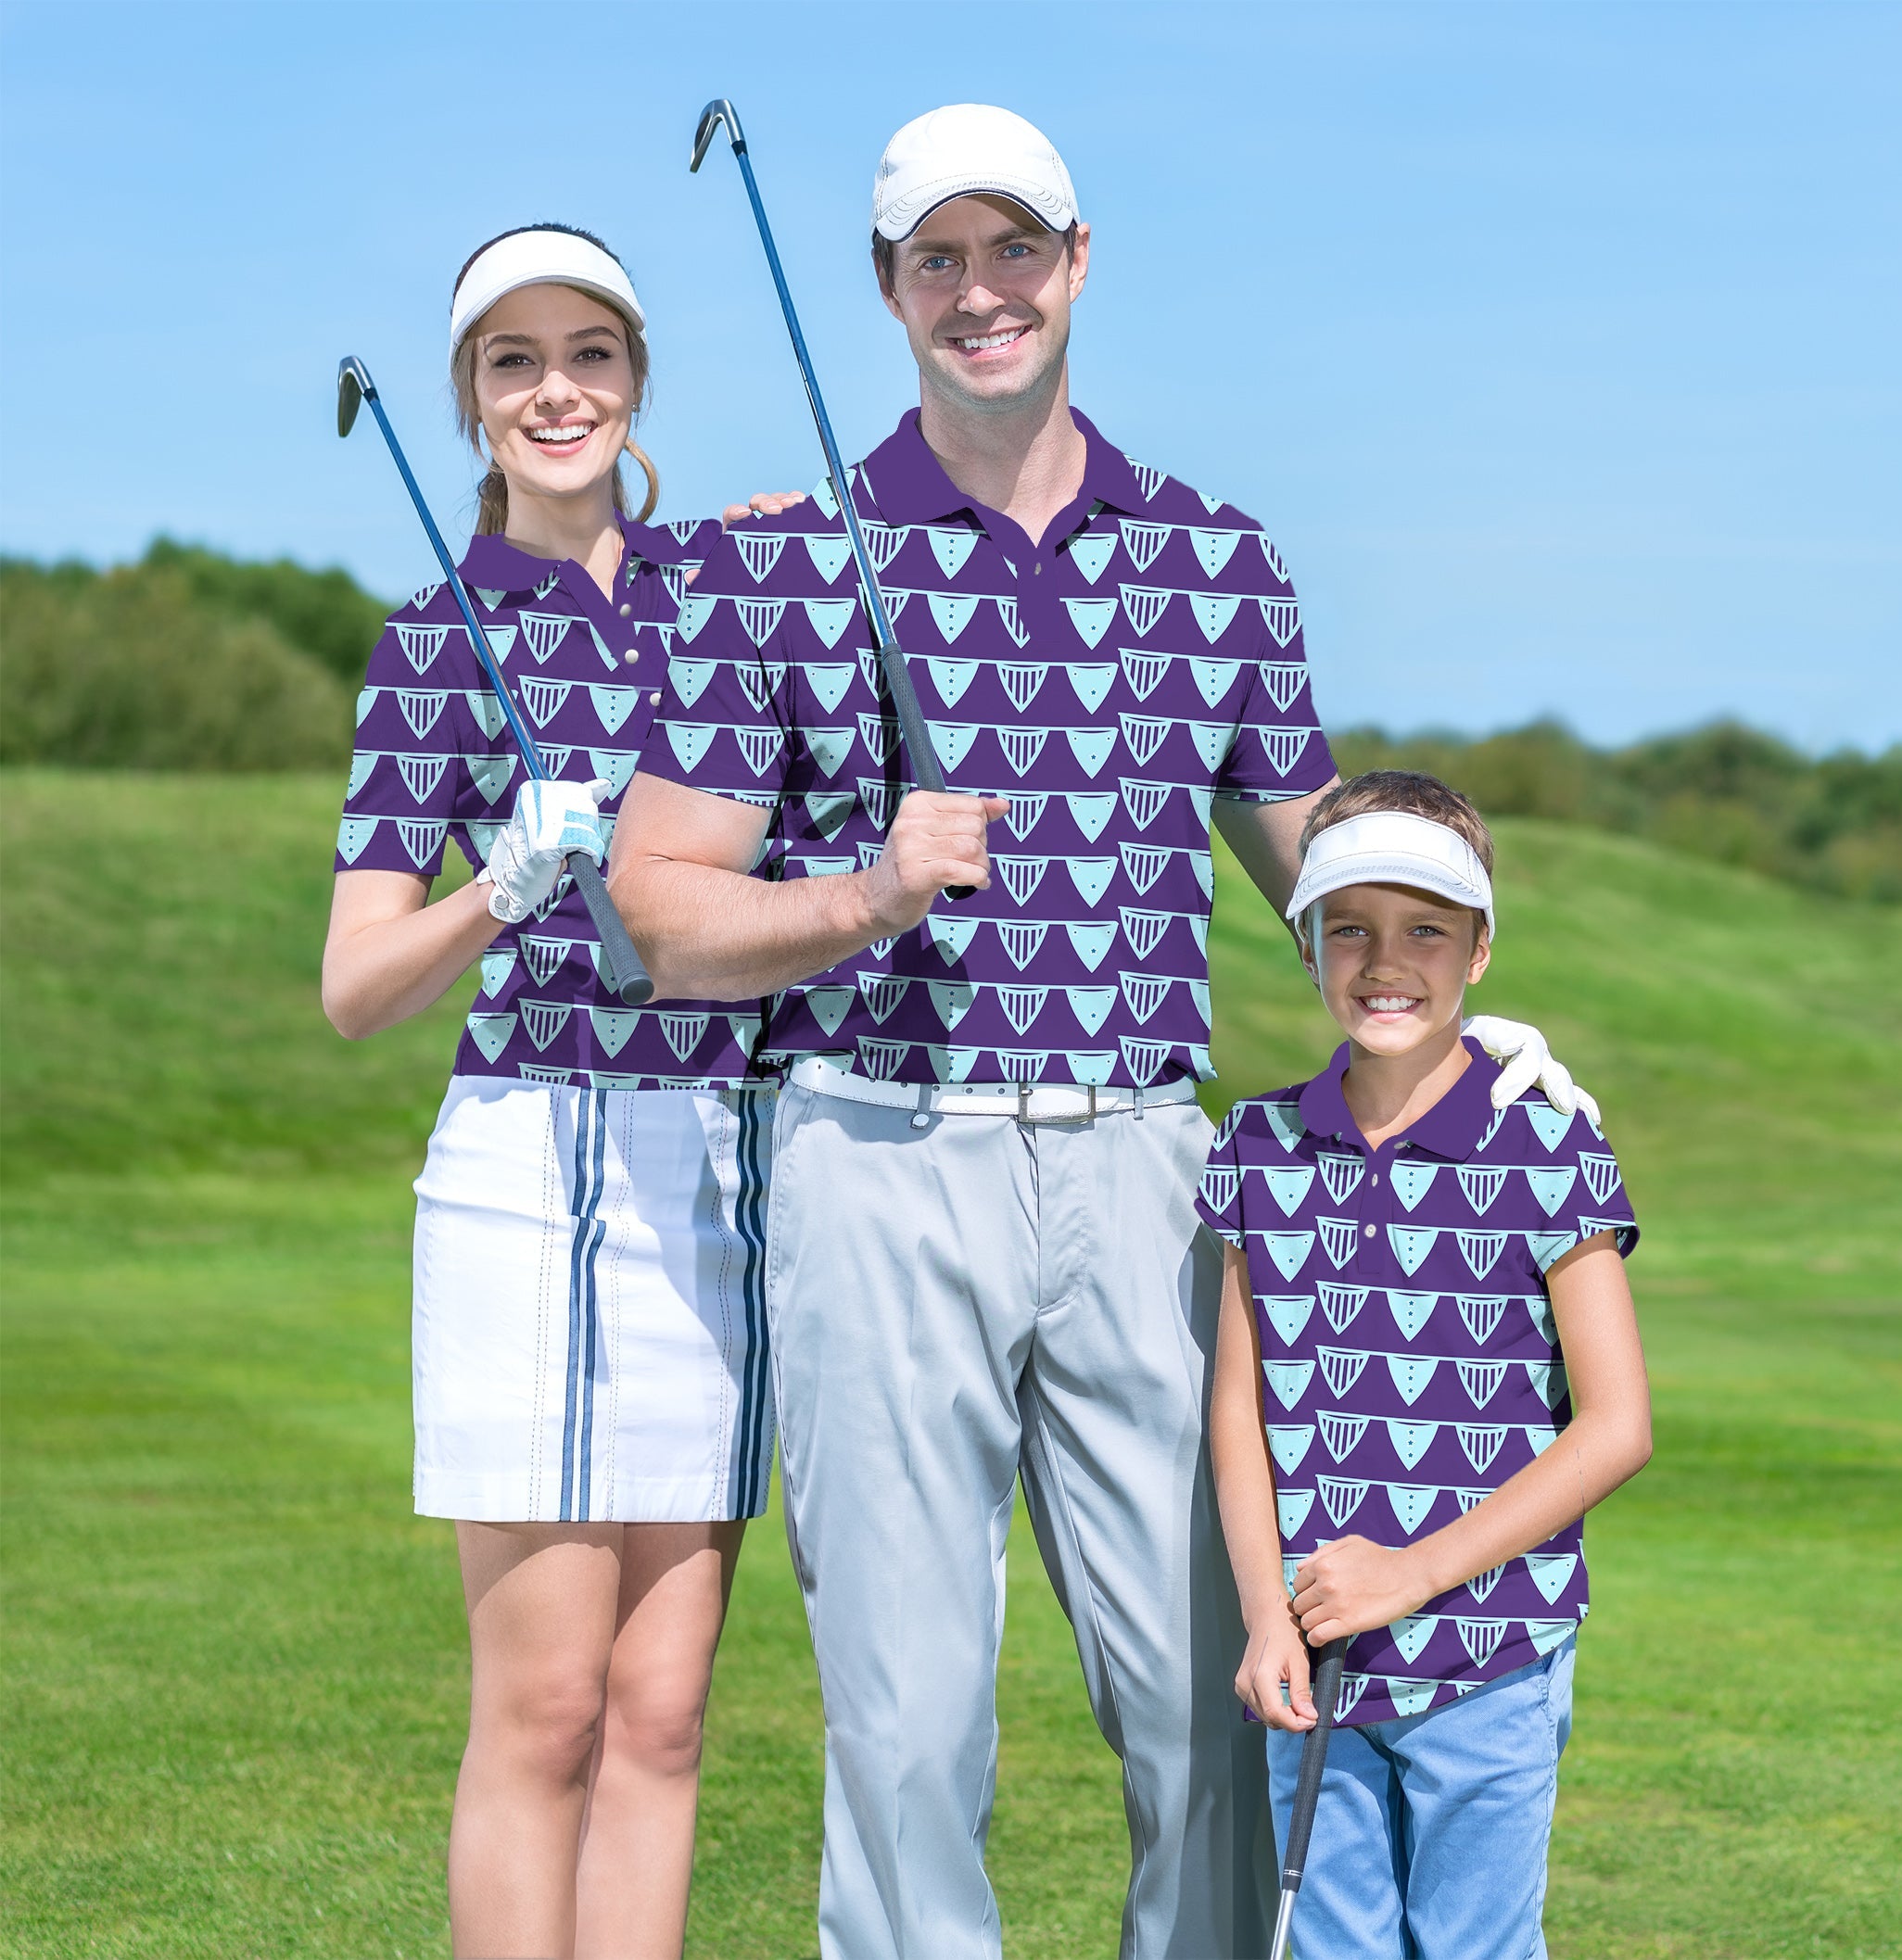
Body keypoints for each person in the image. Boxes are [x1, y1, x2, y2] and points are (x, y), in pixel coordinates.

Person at [609, 107, 1586, 1958]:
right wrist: (854, 897)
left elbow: (1322, 872)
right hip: (876, 1152)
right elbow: (661, 905)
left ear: (1076, 261)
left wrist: (1472, 998)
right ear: (888, 290)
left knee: (1218, 1688)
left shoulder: (1215, 558)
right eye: (937, 259)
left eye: (1014, 250)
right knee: (908, 1725)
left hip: (1150, 1170)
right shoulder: (781, 562)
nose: (982, 292)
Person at [323, 223, 797, 1960]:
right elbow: (356, 985)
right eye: (513, 361)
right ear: (470, 400)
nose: (556, 391)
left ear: (635, 380)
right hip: (527, 1161)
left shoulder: (735, 600)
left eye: (587, 354)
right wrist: (498, 889)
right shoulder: (430, 643)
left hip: (709, 1169)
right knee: (546, 1710)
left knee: (664, 1710)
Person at [1199, 770, 1652, 1959]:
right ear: (1305, 943)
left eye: (1425, 931)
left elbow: (1615, 1426)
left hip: (1493, 1651)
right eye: (1348, 926)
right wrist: (1263, 1616)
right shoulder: (1258, 1146)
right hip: (1314, 1655)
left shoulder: (1548, 1142)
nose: (1383, 960)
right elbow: (1237, 1409)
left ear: (1480, 952)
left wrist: (1412, 1575)